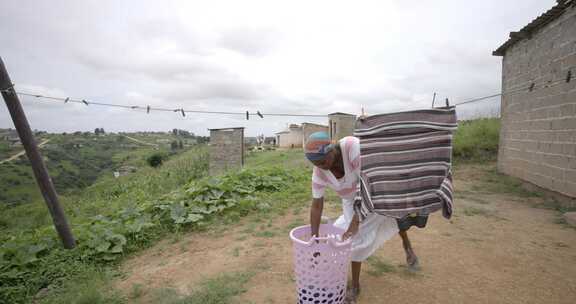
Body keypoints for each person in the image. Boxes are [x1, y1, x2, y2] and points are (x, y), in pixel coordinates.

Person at [306, 131, 400, 303]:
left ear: (331, 148)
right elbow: (316, 205)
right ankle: (335, 277)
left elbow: (367, 183)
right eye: (317, 164)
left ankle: (355, 286)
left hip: (374, 195)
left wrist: (356, 222)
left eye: (323, 160)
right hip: (351, 202)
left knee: (354, 237)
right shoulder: (319, 172)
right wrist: (314, 239)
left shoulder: (351, 147)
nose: (322, 166)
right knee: (341, 235)